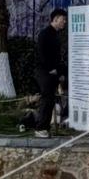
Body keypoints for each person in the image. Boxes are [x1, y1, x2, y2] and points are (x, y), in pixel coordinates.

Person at [33, 9, 68, 137]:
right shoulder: (45, 34)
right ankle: (40, 128)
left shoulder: (55, 34)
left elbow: (57, 57)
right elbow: (42, 54)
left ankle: (44, 128)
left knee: (50, 100)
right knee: (47, 100)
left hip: (52, 72)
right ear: (56, 18)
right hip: (45, 72)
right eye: (63, 19)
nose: (65, 22)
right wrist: (50, 69)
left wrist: (59, 72)